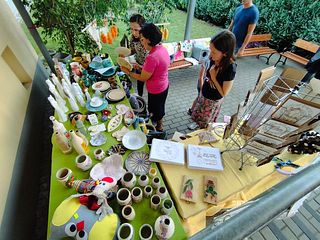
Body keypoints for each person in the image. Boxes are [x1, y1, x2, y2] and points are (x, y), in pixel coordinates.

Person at [121, 23, 170, 131]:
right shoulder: (161, 48)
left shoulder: (152, 57)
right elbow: (155, 69)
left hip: (156, 89)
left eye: (142, 39)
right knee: (160, 106)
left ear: (148, 40)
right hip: (164, 85)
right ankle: (158, 122)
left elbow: (143, 78)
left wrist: (128, 72)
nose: (141, 42)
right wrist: (141, 67)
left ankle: (159, 126)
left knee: (156, 109)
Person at [188, 30, 237, 130]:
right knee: (198, 115)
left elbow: (224, 93)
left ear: (225, 53)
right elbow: (206, 73)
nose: (210, 55)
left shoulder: (230, 68)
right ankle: (197, 123)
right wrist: (202, 87)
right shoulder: (213, 58)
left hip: (212, 101)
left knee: (205, 122)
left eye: (214, 52)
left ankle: (201, 129)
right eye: (210, 50)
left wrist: (214, 78)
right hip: (204, 94)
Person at [128, 14, 148, 96]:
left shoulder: (149, 38)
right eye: (131, 29)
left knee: (151, 85)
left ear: (142, 27)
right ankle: (140, 97)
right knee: (140, 84)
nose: (133, 32)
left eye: (136, 30)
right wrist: (124, 53)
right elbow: (132, 51)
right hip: (139, 65)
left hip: (150, 66)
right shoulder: (132, 38)